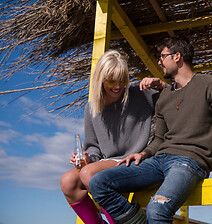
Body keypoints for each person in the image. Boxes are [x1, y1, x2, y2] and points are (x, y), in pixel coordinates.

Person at [89, 36, 212, 224]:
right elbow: (159, 138)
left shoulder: (211, 85)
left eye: (162, 57)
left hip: (190, 161)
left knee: (157, 210)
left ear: (177, 56)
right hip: (158, 161)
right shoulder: (165, 97)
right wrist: (143, 153)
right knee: (99, 183)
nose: (159, 61)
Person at [60, 50, 164, 224]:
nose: (118, 86)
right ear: (100, 79)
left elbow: (174, 96)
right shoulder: (91, 108)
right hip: (107, 162)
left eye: (122, 80)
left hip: (134, 160)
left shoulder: (140, 95)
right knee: (68, 181)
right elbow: (93, 147)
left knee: (88, 174)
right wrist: (87, 158)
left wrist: (160, 84)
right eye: (112, 81)